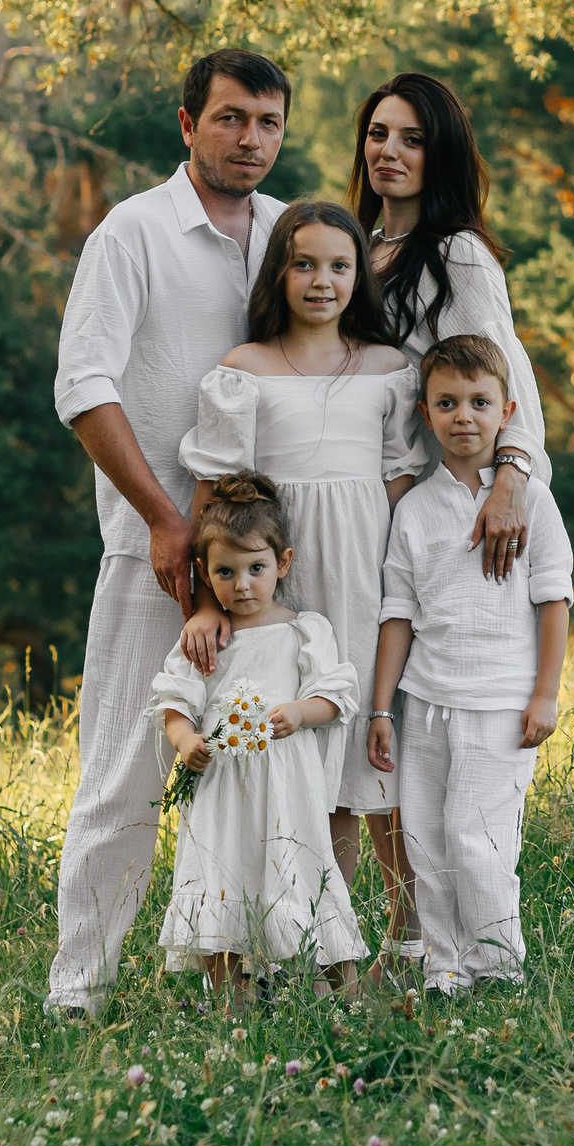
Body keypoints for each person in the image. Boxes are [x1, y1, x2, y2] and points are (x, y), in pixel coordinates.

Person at [46, 47, 291, 1019]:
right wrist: (159, 516)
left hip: (269, 564)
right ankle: (79, 993)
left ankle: (239, 980)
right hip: (155, 555)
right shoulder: (133, 234)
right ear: (188, 125)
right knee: (123, 779)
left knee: (259, 772)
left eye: (268, 122)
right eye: (231, 119)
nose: (251, 139)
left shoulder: (289, 234)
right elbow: (83, 386)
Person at [177, 200, 429, 970]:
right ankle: (262, 938)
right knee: (273, 759)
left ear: (360, 275)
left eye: (340, 265)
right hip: (278, 571)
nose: (323, 280)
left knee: (343, 755)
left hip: (360, 567)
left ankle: (337, 940)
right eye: (305, 263)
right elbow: (218, 493)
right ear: (279, 273)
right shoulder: (243, 369)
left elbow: (399, 483)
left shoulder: (388, 369)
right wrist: (203, 600)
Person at [365, 333, 573, 996]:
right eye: (447, 402)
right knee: (426, 838)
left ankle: (498, 965)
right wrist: (382, 706)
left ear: (506, 411)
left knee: (475, 838)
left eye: (479, 401)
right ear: (426, 414)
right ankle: (444, 968)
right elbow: (397, 612)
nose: (464, 415)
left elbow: (554, 595)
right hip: (425, 703)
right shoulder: (415, 510)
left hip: (500, 702)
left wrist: (546, 693)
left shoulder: (528, 500)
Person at [149, 474, 366, 1006]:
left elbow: (339, 693)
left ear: (283, 564)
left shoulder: (303, 630)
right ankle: (232, 1002)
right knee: (220, 873)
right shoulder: (208, 637)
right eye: (225, 572)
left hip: (286, 785)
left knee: (303, 869)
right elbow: (172, 702)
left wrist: (300, 711)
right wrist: (184, 741)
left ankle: (345, 995)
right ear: (205, 572)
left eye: (256, 569)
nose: (242, 585)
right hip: (222, 782)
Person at [352, 73, 551, 583]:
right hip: (352, 490)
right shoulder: (354, 250)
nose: (388, 151)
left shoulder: (456, 254)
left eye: (412, 140)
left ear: (441, 154)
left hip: (421, 504)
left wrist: (509, 482)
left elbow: (509, 379)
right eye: (378, 134)